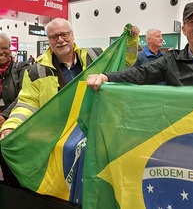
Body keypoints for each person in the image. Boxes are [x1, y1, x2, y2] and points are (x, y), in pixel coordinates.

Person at [0, 18, 139, 139]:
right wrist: (10, 126)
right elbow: (27, 103)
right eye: (54, 37)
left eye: (64, 34)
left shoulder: (96, 56)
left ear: (72, 35)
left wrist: (131, 41)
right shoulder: (36, 71)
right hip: (59, 136)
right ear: (48, 40)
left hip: (95, 129)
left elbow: (124, 62)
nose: (60, 40)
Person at [86, 0, 193, 90]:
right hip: (181, 138)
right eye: (192, 22)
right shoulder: (171, 60)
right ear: (184, 29)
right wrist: (106, 76)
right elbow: (140, 73)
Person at [0, 33, 29, 187]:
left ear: (10, 49)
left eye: (4, 48)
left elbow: (25, 95)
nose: (1, 52)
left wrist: (4, 116)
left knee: (13, 171)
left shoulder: (21, 69)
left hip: (15, 127)